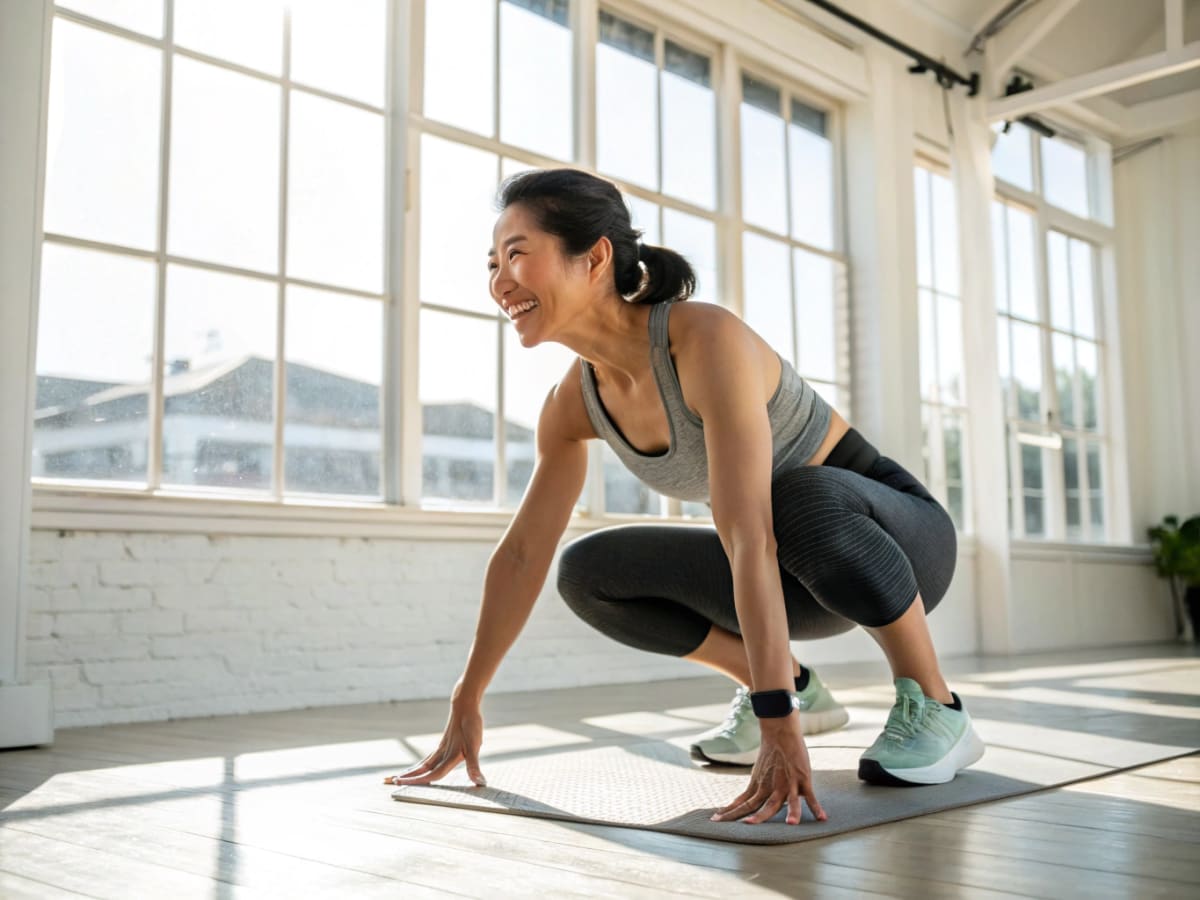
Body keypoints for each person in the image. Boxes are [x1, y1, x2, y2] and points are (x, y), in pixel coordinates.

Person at [385, 167, 985, 827]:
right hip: (795, 574)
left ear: (594, 258)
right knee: (589, 572)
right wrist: (467, 696)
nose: (500, 281)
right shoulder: (570, 405)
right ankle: (793, 685)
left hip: (899, 546)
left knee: (796, 499)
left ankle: (936, 705)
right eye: (493, 263)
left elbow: (748, 533)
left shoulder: (703, 339)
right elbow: (524, 553)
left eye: (517, 254)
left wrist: (775, 723)